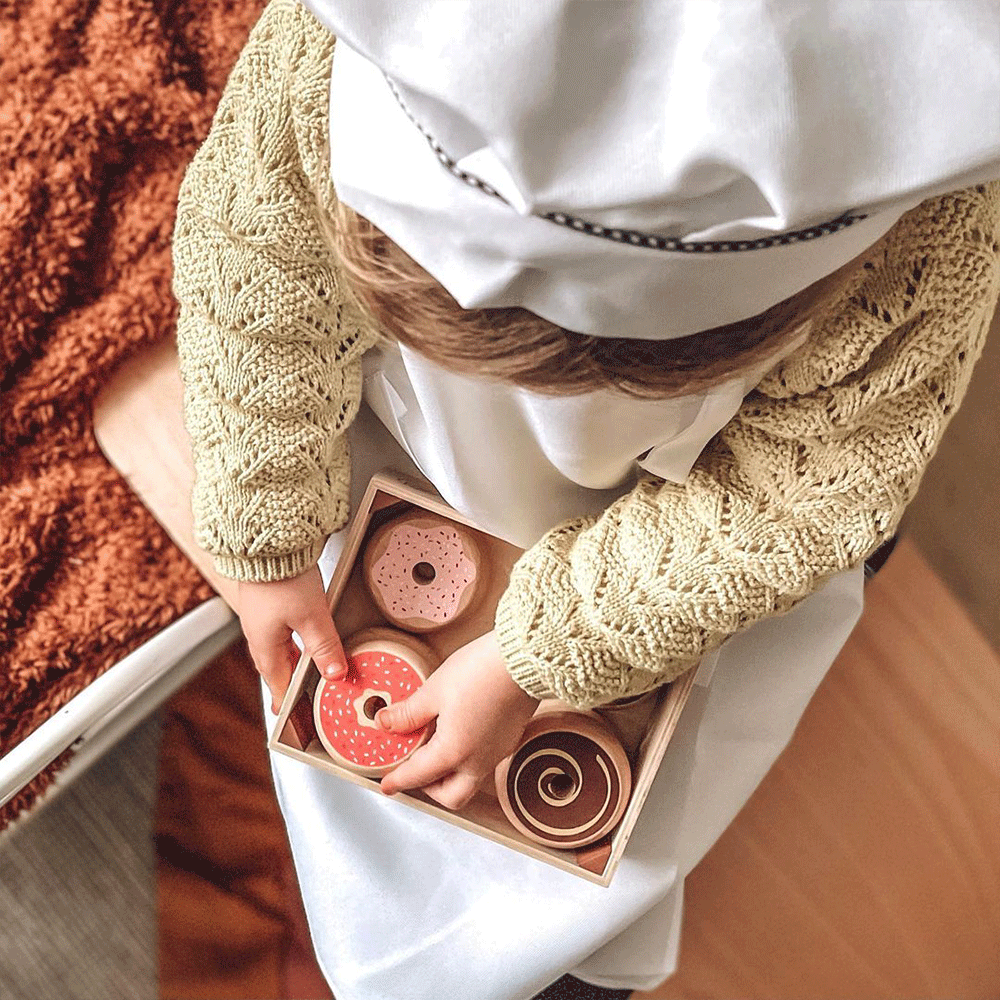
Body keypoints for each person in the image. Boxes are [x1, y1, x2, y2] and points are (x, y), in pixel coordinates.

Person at [171, 2, 1000, 998]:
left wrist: (544, 649)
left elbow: (798, 494)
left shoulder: (918, 238)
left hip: (694, 524)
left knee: (573, 892)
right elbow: (254, 264)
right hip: (427, 444)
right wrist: (262, 519)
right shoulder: (321, 65)